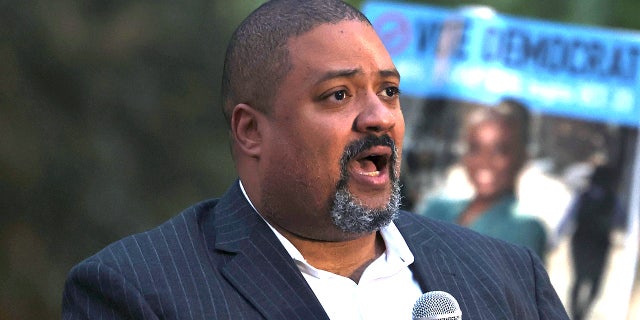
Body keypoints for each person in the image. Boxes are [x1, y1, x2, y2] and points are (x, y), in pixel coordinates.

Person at [62, 1, 569, 319]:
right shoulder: (136, 292)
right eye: (338, 95)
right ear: (250, 130)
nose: (379, 117)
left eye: (388, 91)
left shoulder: (507, 274)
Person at [420, 99, 548, 258]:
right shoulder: (437, 209)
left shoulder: (525, 229)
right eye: (475, 148)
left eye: (500, 150)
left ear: (522, 157)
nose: (484, 161)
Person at [569, 165, 619, 320]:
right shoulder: (613, 200)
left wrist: (555, 240)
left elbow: (568, 217)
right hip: (599, 245)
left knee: (579, 279)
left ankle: (576, 314)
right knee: (594, 284)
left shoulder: (583, 196)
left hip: (581, 242)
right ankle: (581, 314)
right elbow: (620, 222)